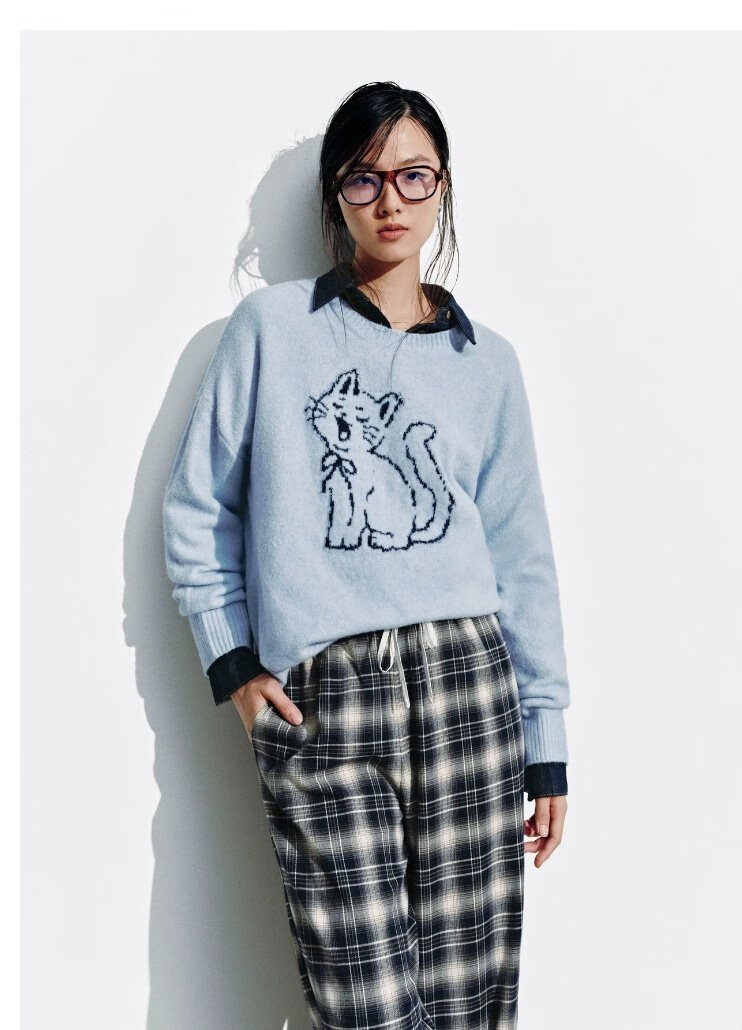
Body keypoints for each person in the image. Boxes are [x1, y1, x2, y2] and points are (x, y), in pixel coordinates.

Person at [163, 80, 571, 1030]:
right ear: (335, 195)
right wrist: (232, 663)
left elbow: (523, 557)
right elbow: (196, 506)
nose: (390, 199)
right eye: (363, 177)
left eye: (413, 175)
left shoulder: (487, 363)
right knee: (367, 1008)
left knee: (468, 1007)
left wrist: (546, 740)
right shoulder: (271, 330)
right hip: (326, 697)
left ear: (443, 187)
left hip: (470, 688)